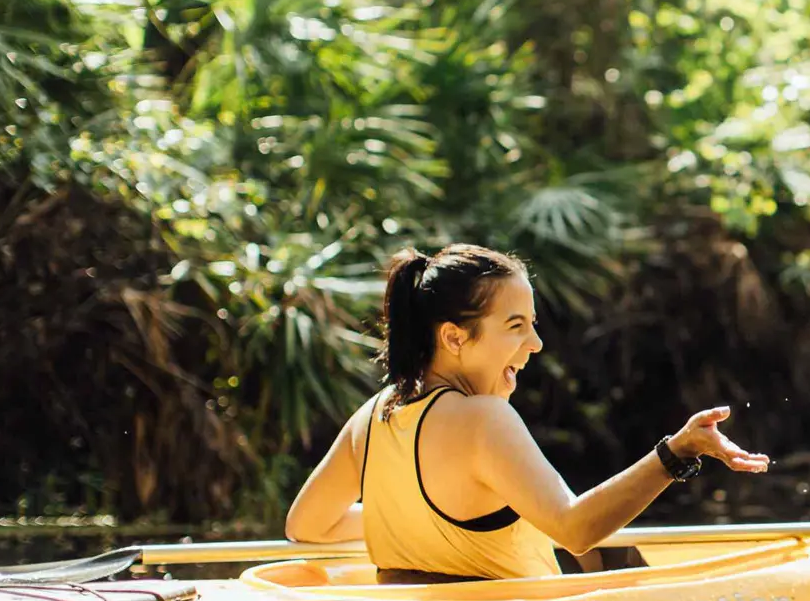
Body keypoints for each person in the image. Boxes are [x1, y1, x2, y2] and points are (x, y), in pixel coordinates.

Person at [286, 244, 769, 582]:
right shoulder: (483, 419)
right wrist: (677, 451)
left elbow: (307, 526)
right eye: (515, 326)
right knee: (605, 549)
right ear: (454, 337)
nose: (534, 345)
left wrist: (402, 509)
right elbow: (575, 529)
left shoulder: (372, 417)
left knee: (607, 549)